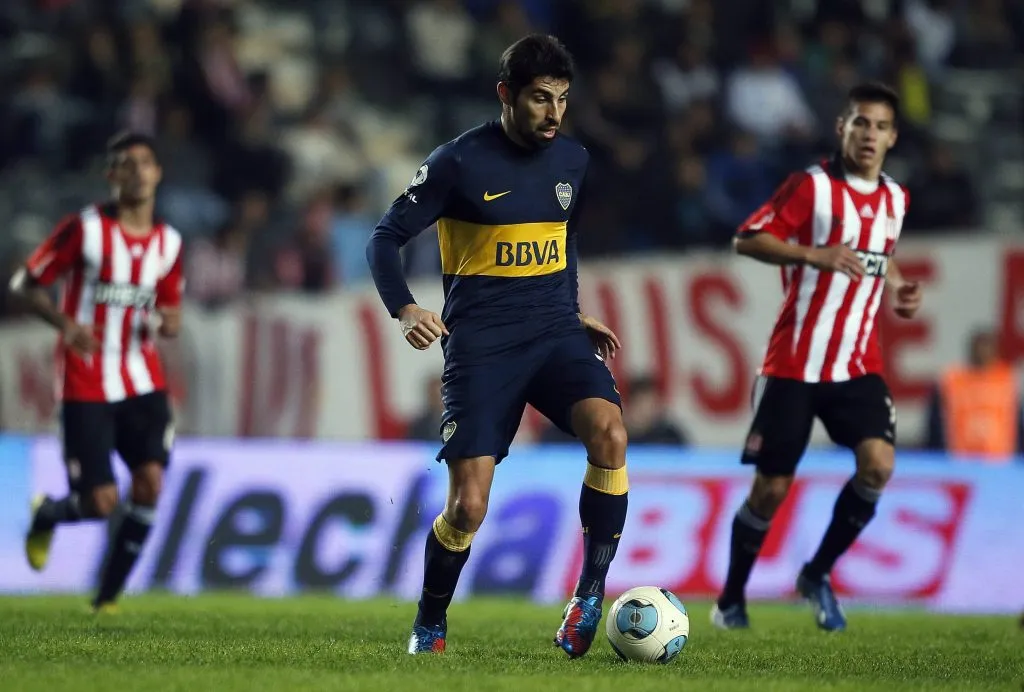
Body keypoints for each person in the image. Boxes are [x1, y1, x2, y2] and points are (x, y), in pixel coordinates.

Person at [366, 34, 628, 658]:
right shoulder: (458, 162)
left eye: (562, 100)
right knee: (468, 507)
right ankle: (431, 621)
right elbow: (384, 238)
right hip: (483, 346)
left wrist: (574, 311)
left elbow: (560, 245)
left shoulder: (574, 161)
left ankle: (588, 596)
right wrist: (405, 308)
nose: (554, 113)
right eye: (540, 99)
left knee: (611, 435)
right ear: (506, 94)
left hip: (555, 332)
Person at [710, 83, 923, 632]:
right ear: (842, 128)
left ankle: (817, 573)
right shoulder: (811, 187)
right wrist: (816, 254)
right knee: (771, 489)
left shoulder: (896, 198)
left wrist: (898, 286)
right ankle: (731, 599)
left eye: (879, 126)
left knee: (878, 465)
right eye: (860, 124)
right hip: (794, 363)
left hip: (857, 364)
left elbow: (881, 256)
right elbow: (748, 238)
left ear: (893, 137)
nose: (869, 135)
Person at [12, 132, 184, 613]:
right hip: (86, 383)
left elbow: (170, 311)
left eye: (145, 162)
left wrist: (171, 321)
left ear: (158, 173)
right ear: (111, 176)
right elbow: (25, 283)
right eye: (125, 164)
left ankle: (106, 599)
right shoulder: (84, 230)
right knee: (101, 503)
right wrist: (65, 324)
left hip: (143, 380)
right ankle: (48, 512)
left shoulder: (169, 242)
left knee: (150, 483)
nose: (136, 171)